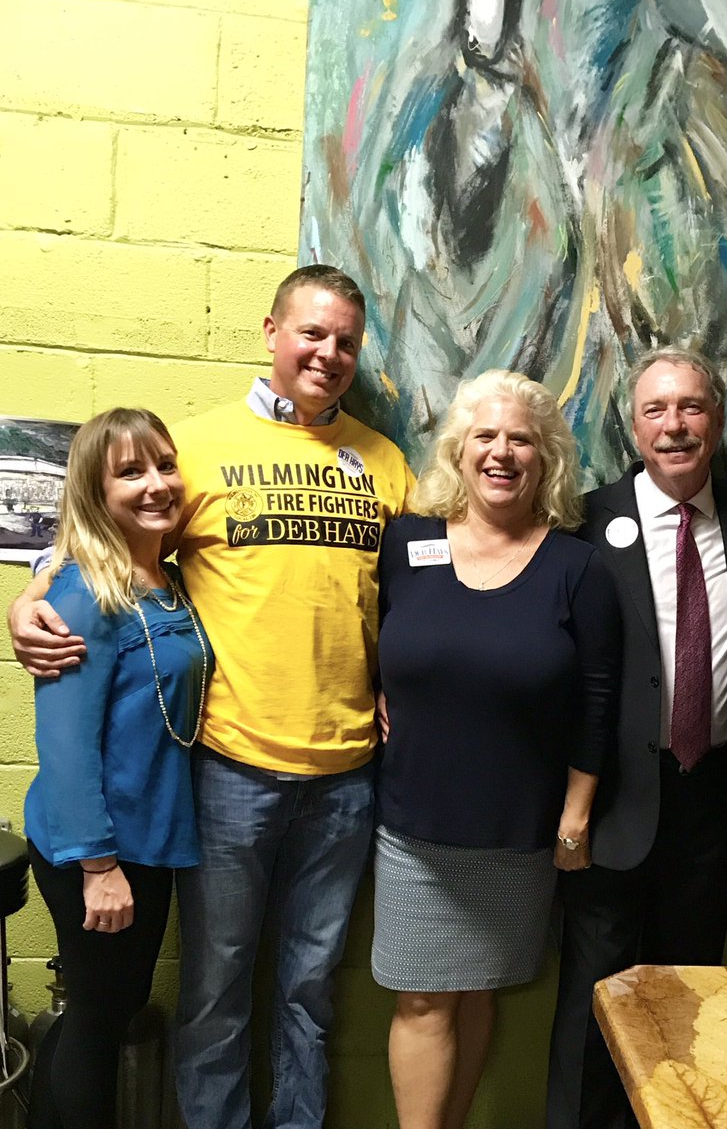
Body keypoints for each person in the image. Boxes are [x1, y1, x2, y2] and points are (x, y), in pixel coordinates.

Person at [8, 265, 415, 1129]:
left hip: (346, 774)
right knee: (218, 990)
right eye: (311, 332)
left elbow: (414, 595)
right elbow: (104, 525)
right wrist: (32, 593)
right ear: (271, 332)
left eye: (345, 340)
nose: (328, 353)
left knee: (309, 988)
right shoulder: (190, 448)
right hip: (231, 771)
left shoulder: (384, 463)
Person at [547, 348, 727, 1129]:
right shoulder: (587, 521)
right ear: (632, 426)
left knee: (687, 1002)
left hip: (711, 804)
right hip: (612, 798)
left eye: (689, 407)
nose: (674, 425)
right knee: (595, 998)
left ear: (715, 422)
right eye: (655, 410)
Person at [373, 370, 620, 1129]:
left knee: (477, 989)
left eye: (521, 439)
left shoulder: (576, 569)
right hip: (415, 823)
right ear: (459, 448)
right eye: (485, 435)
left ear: (545, 458)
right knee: (420, 996)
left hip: (518, 832)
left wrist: (574, 818)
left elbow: (596, 703)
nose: (501, 453)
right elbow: (381, 640)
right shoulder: (408, 541)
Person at [23, 408, 213, 1128]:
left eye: (164, 464)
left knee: (106, 1013)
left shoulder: (167, 579)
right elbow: (65, 747)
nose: (157, 483)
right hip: (97, 850)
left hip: (151, 837)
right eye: (130, 472)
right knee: (101, 1023)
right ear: (94, 491)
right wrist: (99, 867)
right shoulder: (82, 594)